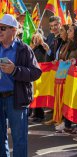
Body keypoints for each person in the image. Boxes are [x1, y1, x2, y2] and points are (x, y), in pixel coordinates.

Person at [0, 14, 42, 157]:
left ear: (14, 30)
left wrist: (15, 70)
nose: (0, 31)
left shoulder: (24, 49)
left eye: (3, 28)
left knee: (19, 140)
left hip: (16, 99)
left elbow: (36, 72)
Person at [28, 31, 50, 123]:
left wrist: (42, 45)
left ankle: (40, 115)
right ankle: (35, 113)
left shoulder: (43, 47)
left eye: (37, 38)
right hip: (33, 73)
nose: (35, 40)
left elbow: (48, 55)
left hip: (41, 73)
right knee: (34, 94)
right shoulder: (32, 47)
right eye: (34, 38)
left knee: (39, 94)